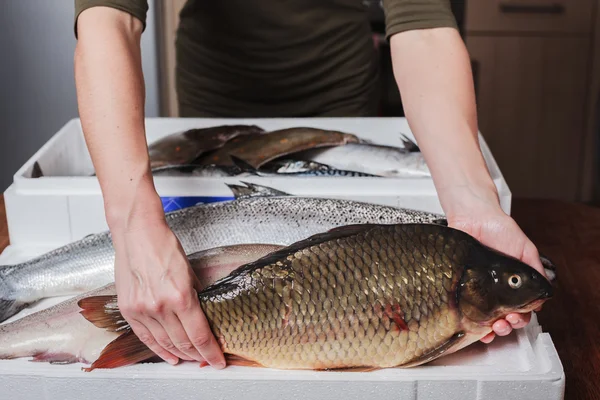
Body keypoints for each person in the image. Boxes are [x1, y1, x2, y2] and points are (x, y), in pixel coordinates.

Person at [72, 0, 546, 370]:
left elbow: (421, 26)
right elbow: (109, 17)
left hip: (339, 94)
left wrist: (474, 204)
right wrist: (133, 226)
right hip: (216, 99)